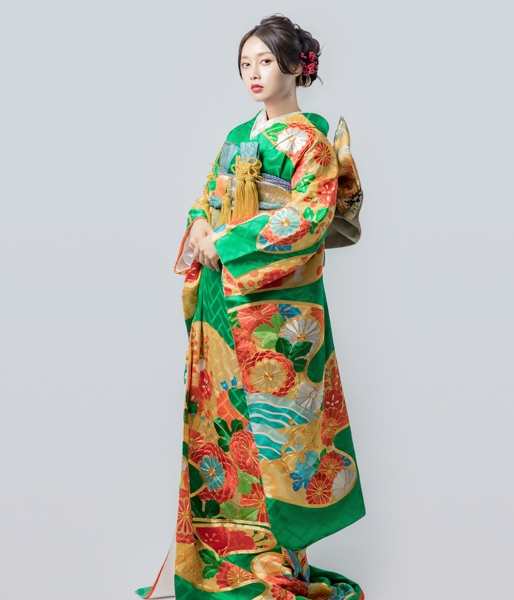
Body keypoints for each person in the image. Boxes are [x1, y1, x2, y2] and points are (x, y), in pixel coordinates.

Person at [136, 14, 366, 600]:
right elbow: (206, 199)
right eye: (245, 64)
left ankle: (277, 557)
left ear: (297, 66)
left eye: (265, 61)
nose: (254, 73)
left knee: (281, 431)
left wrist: (229, 242)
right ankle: (224, 549)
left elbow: (308, 218)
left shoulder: (311, 143)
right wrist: (200, 227)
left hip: (278, 310)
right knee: (224, 421)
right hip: (223, 296)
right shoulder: (238, 135)